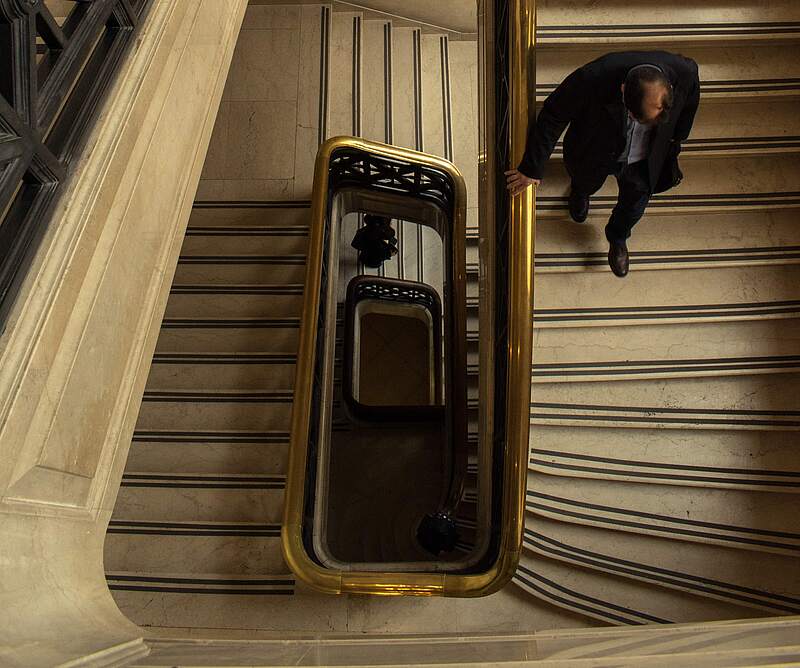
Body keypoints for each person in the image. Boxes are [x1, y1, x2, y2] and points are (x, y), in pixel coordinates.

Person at [506, 50, 700, 277]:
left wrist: (677, 140)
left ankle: (618, 237)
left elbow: (690, 103)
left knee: (634, 206)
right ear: (623, 90)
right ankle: (580, 192)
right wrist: (532, 167)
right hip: (595, 150)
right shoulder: (593, 76)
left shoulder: (685, 72)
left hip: (645, 160)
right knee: (585, 180)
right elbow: (553, 114)